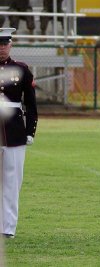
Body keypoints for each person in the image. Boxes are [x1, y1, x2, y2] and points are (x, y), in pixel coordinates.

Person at [0, 28, 38, 239]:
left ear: (10, 45)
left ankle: (8, 228)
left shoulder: (21, 69)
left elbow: (31, 104)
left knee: (12, 181)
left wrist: (30, 131)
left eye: (4, 44)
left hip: (14, 131)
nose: (1, 48)